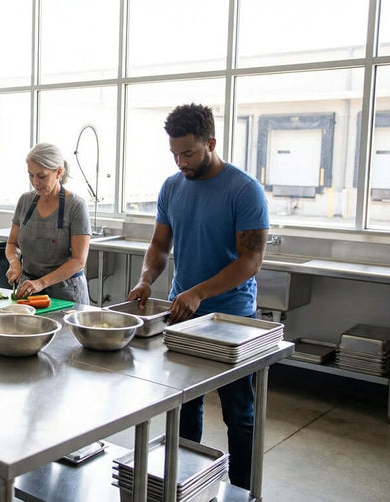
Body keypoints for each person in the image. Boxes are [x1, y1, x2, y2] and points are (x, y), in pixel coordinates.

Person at [126, 103, 268, 490]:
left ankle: (242, 491)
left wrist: (199, 292)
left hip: (231, 320)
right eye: (174, 153)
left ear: (211, 143)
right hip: (183, 316)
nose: (180, 162)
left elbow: (250, 261)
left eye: (188, 153)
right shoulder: (172, 187)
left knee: (239, 414)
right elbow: (159, 244)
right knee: (184, 404)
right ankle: (188, 486)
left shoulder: (244, 190)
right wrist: (145, 279)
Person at [5, 143, 91, 304]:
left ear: (58, 172)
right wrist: (14, 263)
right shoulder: (25, 201)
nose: (35, 182)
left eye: (41, 176)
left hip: (66, 294)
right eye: (31, 175)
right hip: (29, 291)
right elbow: (12, 244)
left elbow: (79, 261)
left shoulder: (76, 206)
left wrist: (41, 283)